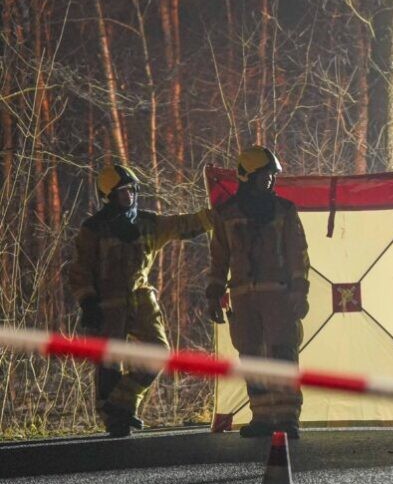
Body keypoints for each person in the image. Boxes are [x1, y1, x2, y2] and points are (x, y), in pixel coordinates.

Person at [67, 163, 212, 436]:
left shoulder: (148, 223)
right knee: (109, 363)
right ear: (109, 196)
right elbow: (80, 269)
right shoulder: (94, 229)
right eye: (123, 192)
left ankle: (121, 403)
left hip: (141, 297)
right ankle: (115, 420)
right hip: (106, 304)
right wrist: (87, 301)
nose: (129, 196)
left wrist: (215, 216)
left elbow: (183, 224)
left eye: (132, 190)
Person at [206, 146, 310, 438]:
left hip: (278, 295)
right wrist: (213, 292)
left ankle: (288, 418)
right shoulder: (225, 215)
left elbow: (297, 255)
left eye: (271, 176)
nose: (269, 181)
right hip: (243, 298)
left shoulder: (284, 211)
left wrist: (299, 290)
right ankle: (263, 417)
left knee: (283, 354)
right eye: (263, 176)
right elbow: (219, 257)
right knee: (251, 356)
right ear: (247, 177)